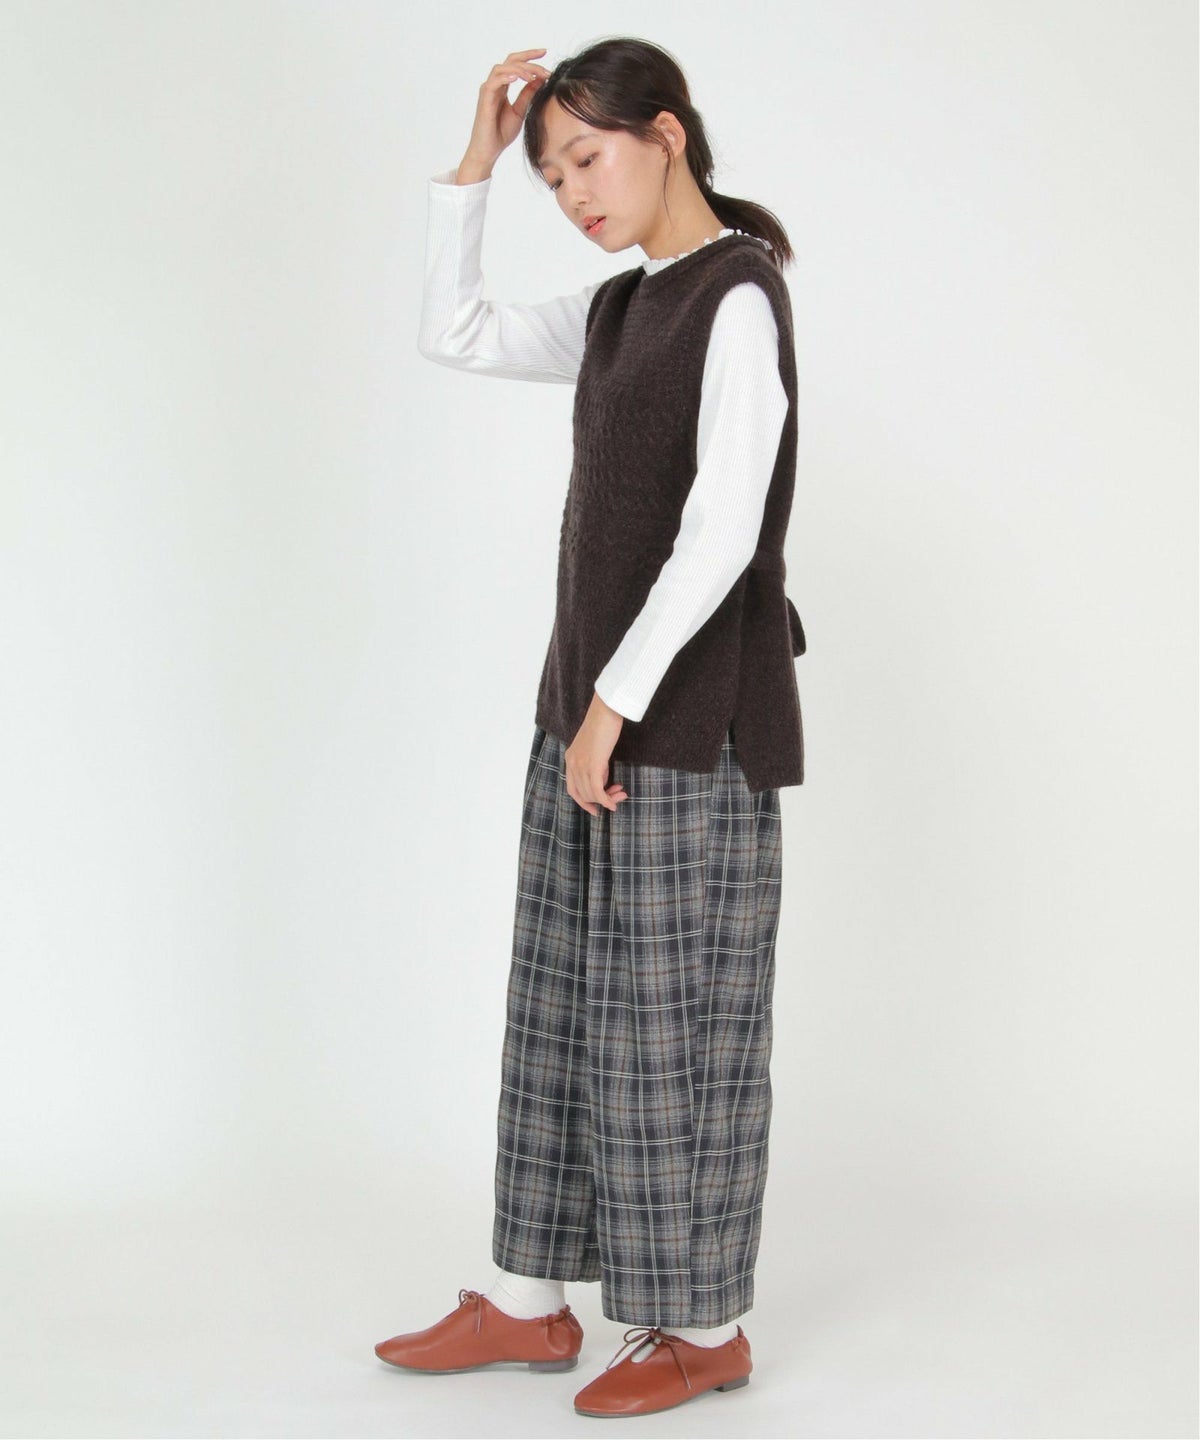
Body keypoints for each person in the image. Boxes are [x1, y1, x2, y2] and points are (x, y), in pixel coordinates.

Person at [374, 36, 807, 1419]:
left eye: (586, 158)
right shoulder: (624, 307)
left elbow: (724, 528)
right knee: (561, 1011)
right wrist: (473, 167)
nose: (571, 192)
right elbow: (457, 331)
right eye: (551, 174)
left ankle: (702, 1329)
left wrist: (612, 705)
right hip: (587, 719)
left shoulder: (736, 298)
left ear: (665, 136)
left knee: (673, 1029)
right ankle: (528, 1302)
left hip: (684, 729)